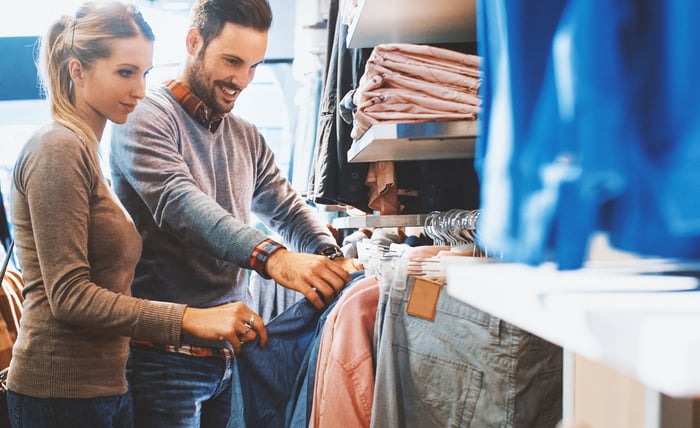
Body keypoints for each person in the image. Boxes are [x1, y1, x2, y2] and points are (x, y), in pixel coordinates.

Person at [7, 2, 267, 427]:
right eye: (125, 72)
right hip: (60, 396)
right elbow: (70, 296)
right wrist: (189, 319)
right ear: (78, 71)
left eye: (145, 74)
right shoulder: (58, 148)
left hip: (105, 389)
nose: (141, 90)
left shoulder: (88, 152)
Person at [109, 0, 359, 426]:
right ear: (193, 42)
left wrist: (326, 258)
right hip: (164, 359)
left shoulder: (246, 136)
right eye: (232, 61)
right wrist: (274, 258)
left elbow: (286, 207)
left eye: (254, 66)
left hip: (232, 356)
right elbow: (180, 203)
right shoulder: (145, 116)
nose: (241, 79)